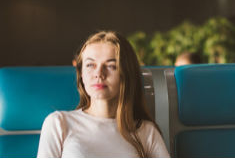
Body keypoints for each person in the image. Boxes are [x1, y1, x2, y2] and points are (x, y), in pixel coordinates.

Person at [37, 31, 169, 157]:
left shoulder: (146, 131)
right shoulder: (59, 124)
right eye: (90, 65)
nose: (99, 74)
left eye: (111, 66)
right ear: (81, 74)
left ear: (127, 74)